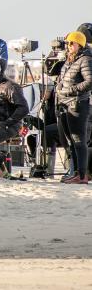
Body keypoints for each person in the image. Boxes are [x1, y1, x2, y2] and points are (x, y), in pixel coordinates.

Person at [56, 31, 92, 184]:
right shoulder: (69, 60)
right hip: (64, 104)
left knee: (79, 140)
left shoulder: (85, 59)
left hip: (77, 104)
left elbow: (89, 81)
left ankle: (83, 175)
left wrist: (70, 90)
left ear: (80, 44)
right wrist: (58, 86)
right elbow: (62, 78)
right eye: (68, 43)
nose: (69, 46)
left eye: (72, 43)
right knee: (71, 141)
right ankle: (76, 172)